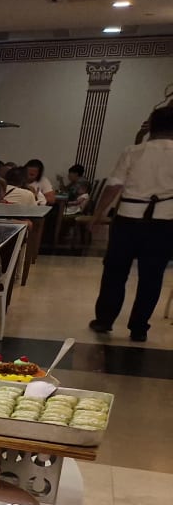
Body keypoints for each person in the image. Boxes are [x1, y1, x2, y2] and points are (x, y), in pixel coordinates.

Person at [89, 104, 173, 342]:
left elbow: (114, 185)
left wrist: (98, 214)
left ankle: (104, 320)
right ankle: (139, 327)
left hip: (128, 219)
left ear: (152, 126)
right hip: (164, 222)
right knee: (152, 276)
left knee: (115, 272)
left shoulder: (133, 152)